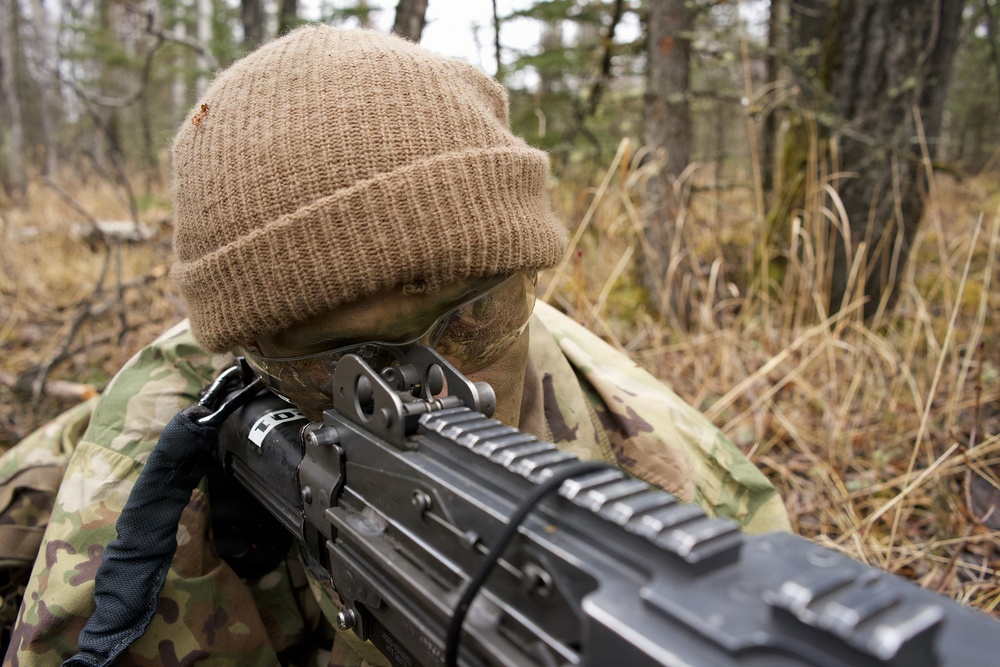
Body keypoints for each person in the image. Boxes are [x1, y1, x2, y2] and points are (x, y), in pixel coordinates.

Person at [1, 25, 789, 667]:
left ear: (524, 277)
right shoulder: (145, 480)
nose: (432, 393)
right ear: (251, 354)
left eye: (470, 320)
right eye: (339, 358)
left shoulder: (673, 494)